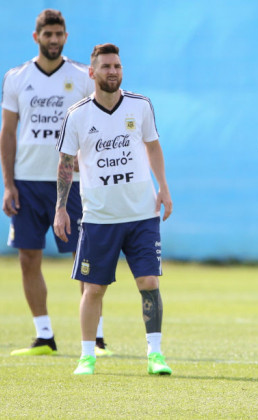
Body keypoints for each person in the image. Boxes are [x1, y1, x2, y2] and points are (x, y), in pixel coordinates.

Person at [54, 43, 173, 376]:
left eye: (117, 66)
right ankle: (87, 356)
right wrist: (60, 208)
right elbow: (65, 163)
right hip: (99, 217)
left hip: (141, 214)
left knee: (149, 282)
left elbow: (153, 146)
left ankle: (155, 355)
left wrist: (163, 188)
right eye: (106, 67)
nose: (113, 72)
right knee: (93, 289)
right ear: (92, 73)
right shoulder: (77, 114)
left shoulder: (140, 106)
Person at [0, 9, 111, 357]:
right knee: (28, 258)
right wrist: (8, 183)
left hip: (73, 182)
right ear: (36, 37)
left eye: (58, 34)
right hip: (28, 181)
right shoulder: (16, 77)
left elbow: (100, 118)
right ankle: (43, 335)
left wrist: (89, 158)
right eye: (47, 34)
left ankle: (97, 339)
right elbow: (7, 132)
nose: (53, 40)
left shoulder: (80, 76)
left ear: (65, 36)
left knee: (85, 258)